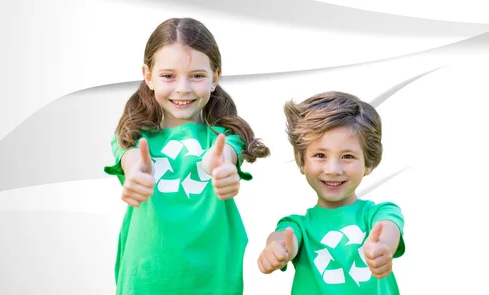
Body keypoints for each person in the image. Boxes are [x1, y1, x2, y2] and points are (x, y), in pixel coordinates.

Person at [104, 17, 270, 295]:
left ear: (215, 77)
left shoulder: (226, 137)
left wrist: (222, 167)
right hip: (144, 282)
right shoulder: (133, 137)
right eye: (168, 76)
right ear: (148, 76)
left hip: (212, 282)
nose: (183, 88)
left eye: (196, 75)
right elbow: (131, 158)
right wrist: (135, 175)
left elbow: (224, 155)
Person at [257, 91, 405, 294]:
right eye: (320, 155)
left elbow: (389, 229)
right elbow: (282, 238)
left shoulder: (380, 213)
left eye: (347, 156)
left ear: (368, 163)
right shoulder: (298, 226)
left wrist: (383, 248)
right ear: (301, 161)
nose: (333, 169)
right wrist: (276, 249)